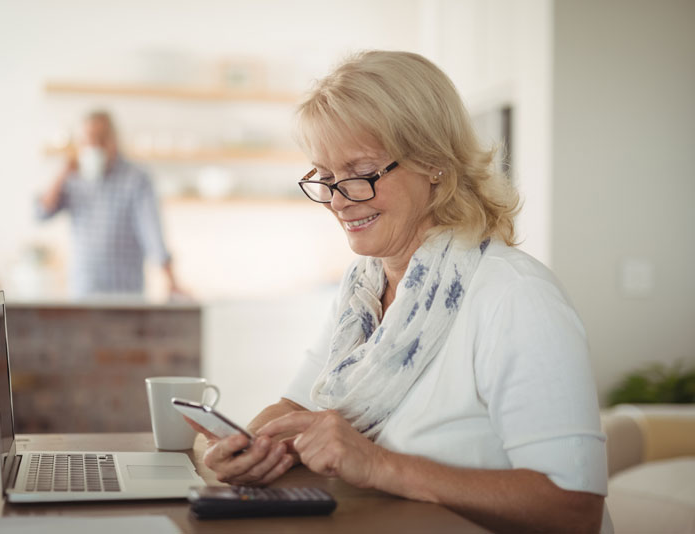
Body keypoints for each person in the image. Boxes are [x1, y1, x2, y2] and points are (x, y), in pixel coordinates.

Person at [188, 51, 611, 534]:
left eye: (361, 173)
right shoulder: (363, 289)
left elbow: (573, 510)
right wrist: (247, 448)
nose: (338, 200)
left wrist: (378, 465)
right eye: (325, 177)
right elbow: (297, 408)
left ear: (433, 162)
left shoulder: (516, 296)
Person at [36, 111, 184, 298]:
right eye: (88, 140)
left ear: (114, 140)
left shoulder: (137, 179)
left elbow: (153, 234)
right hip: (83, 291)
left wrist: (172, 282)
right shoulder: (73, 178)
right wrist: (62, 174)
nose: (94, 146)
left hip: (126, 294)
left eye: (100, 139)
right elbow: (41, 213)